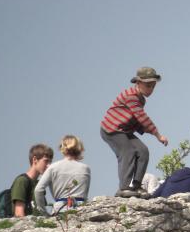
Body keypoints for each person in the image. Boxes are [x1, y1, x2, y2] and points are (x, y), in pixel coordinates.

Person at [100, 67, 169, 198]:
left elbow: (137, 122)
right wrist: (157, 135)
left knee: (143, 151)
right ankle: (124, 187)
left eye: (153, 86)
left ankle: (136, 186)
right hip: (111, 130)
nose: (151, 89)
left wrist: (146, 130)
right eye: (148, 85)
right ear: (138, 83)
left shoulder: (141, 99)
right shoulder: (131, 96)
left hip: (124, 130)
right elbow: (142, 117)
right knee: (128, 152)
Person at [34, 135, 91, 215]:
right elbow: (85, 193)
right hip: (81, 210)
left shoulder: (53, 167)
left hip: (60, 210)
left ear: (63, 148)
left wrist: (44, 212)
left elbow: (38, 190)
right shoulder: (85, 168)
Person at [11, 144, 54, 217]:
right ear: (35, 160)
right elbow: (19, 213)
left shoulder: (40, 184)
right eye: (46, 161)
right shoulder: (21, 181)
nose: (48, 165)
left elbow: (42, 212)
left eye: (50, 162)